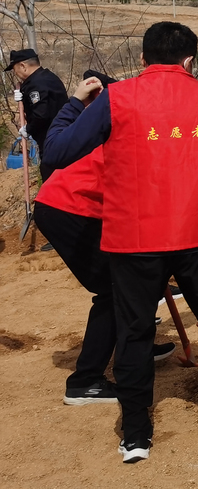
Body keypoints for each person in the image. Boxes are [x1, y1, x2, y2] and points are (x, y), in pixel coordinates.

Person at [43, 22, 198, 463]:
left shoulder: (117, 99)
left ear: (142, 60)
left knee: (135, 330)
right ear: (190, 61)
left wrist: (75, 104)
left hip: (133, 238)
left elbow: (57, 155)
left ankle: (136, 436)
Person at [35, 72, 177, 405]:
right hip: (68, 208)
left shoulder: (130, 123)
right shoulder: (131, 130)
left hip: (81, 207)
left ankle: (134, 344)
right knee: (117, 290)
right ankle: (85, 382)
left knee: (134, 283)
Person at [6, 48, 69, 177]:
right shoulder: (47, 77)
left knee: (52, 180)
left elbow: (41, 114)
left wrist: (28, 129)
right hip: (64, 137)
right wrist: (23, 96)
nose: (15, 73)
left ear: (23, 66)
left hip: (52, 141)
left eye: (14, 69)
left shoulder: (36, 84)